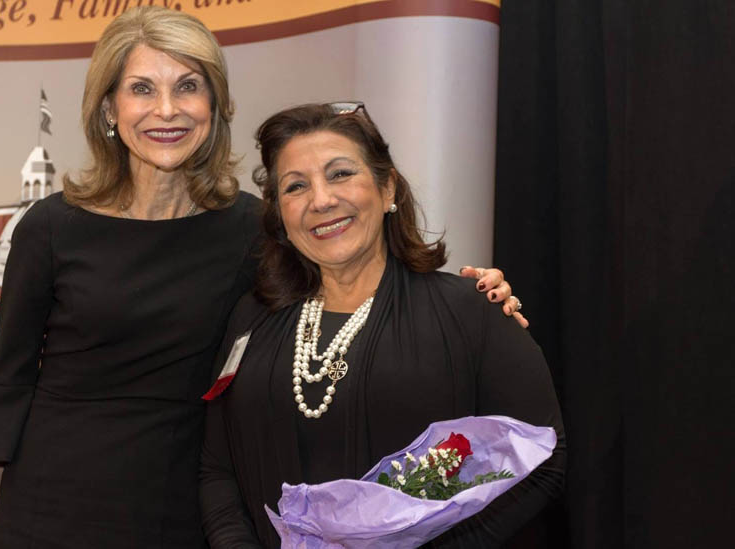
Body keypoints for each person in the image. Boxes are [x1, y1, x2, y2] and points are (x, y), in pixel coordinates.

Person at [0, 7, 525, 549]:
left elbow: (358, 282)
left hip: (192, 515)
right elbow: (7, 393)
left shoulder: (256, 228)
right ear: (108, 110)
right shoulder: (51, 227)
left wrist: (474, 294)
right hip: (51, 512)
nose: (167, 110)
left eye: (188, 86)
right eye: (142, 89)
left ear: (216, 104)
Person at [199, 103, 565, 548]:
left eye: (340, 174)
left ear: (387, 187)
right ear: (280, 216)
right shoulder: (251, 319)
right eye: (296, 186)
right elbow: (217, 468)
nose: (321, 200)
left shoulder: (471, 311)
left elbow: (544, 460)